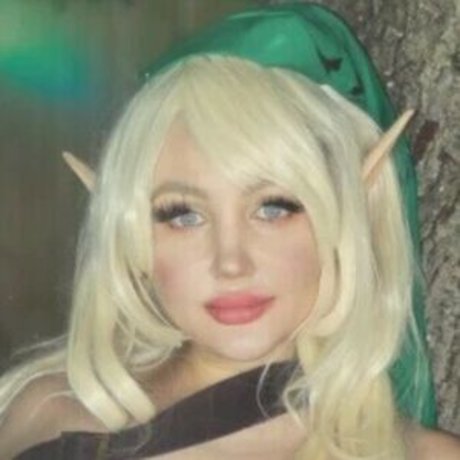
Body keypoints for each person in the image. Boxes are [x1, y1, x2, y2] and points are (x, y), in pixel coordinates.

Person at [0, 3, 459, 459]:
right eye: (184, 216)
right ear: (132, 233)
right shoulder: (44, 416)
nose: (231, 263)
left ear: (346, 209)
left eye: (273, 208)